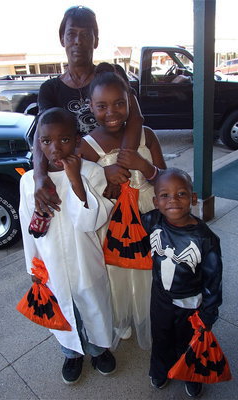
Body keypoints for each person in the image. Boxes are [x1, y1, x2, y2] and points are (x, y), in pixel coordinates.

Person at [19, 107, 116, 385]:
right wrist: (32, 265)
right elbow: (29, 229)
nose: (55, 148)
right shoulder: (29, 183)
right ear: (39, 144)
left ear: (76, 140)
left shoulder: (93, 173)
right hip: (50, 262)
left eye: (63, 140)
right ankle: (71, 353)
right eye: (46, 141)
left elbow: (90, 222)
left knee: (93, 303)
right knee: (62, 307)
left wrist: (75, 179)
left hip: (84, 257)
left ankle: (99, 349)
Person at [78, 64, 167, 350]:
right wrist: (107, 179)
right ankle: (122, 317)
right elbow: (85, 191)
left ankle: (146, 313)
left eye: (119, 103)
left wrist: (144, 166)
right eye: (102, 105)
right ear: (90, 106)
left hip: (148, 215)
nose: (112, 112)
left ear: (130, 101)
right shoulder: (87, 146)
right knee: (116, 272)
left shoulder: (147, 135)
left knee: (147, 270)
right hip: (113, 222)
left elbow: (164, 178)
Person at [33, 5, 143, 215]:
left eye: (85, 35)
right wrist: (39, 176)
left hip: (119, 172)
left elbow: (135, 119)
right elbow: (42, 135)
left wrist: (121, 168)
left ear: (96, 40)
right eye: (71, 34)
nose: (78, 41)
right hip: (76, 176)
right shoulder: (50, 89)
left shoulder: (112, 75)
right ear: (62, 39)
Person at [141, 168, 223, 398]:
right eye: (165, 195)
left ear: (193, 198)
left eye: (181, 194)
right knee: (161, 336)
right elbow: (127, 222)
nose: (173, 200)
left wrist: (209, 312)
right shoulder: (153, 221)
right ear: (156, 201)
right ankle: (160, 370)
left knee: (188, 340)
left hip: (190, 302)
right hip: (160, 298)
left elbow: (213, 279)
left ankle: (190, 373)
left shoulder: (205, 239)